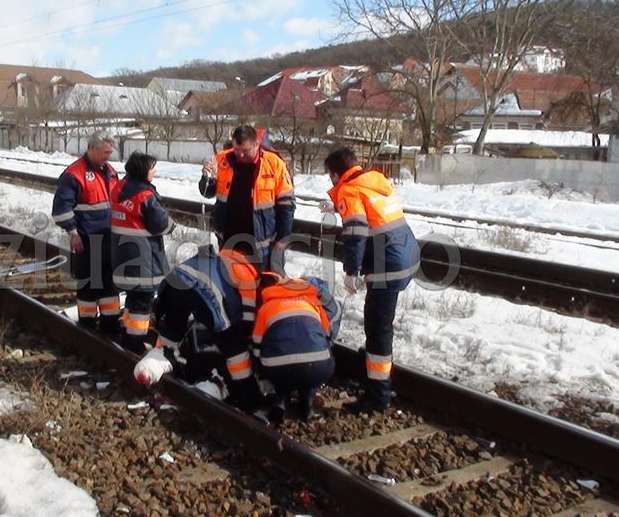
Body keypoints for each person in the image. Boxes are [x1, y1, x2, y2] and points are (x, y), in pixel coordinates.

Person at [323, 147, 420, 410]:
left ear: (335, 174)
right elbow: (371, 212)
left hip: (387, 264)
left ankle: (378, 395)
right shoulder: (374, 180)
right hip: (407, 255)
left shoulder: (348, 190)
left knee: (377, 328)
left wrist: (351, 272)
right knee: (380, 322)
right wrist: (337, 206)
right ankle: (376, 367)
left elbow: (356, 234)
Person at [134, 246, 262, 412]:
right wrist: (243, 337)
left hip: (176, 280)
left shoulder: (217, 257)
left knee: (172, 332)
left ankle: (153, 365)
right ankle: (246, 396)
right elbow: (248, 318)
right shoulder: (247, 273)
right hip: (206, 293)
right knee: (234, 348)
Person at [199, 124, 295, 270]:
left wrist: (281, 241)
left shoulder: (274, 164)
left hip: (263, 243)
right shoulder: (221, 160)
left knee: (262, 286)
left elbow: (287, 206)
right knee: (229, 284)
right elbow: (207, 192)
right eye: (237, 150)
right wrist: (207, 177)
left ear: (256, 144)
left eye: (245, 150)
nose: (241, 155)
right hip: (228, 239)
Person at [52, 133, 121, 332]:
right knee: (89, 284)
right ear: (92, 148)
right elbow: (61, 210)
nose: (108, 156)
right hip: (87, 239)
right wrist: (73, 232)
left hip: (109, 237)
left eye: (110, 152)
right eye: (105, 152)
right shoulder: (74, 174)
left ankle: (110, 324)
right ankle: (88, 326)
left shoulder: (110, 172)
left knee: (109, 283)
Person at [252, 273, 341, 422]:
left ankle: (281, 401)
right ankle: (308, 402)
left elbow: (256, 347)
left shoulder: (266, 307)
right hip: (315, 369)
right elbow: (327, 336)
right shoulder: (313, 302)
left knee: (279, 362)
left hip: (278, 370)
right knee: (317, 358)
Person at [110, 152, 173, 354]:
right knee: (142, 302)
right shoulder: (145, 196)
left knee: (132, 296)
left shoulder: (118, 187)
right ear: (143, 171)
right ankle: (134, 343)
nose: (154, 171)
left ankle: (127, 331)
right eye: (152, 168)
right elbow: (162, 224)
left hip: (122, 255)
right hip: (143, 260)